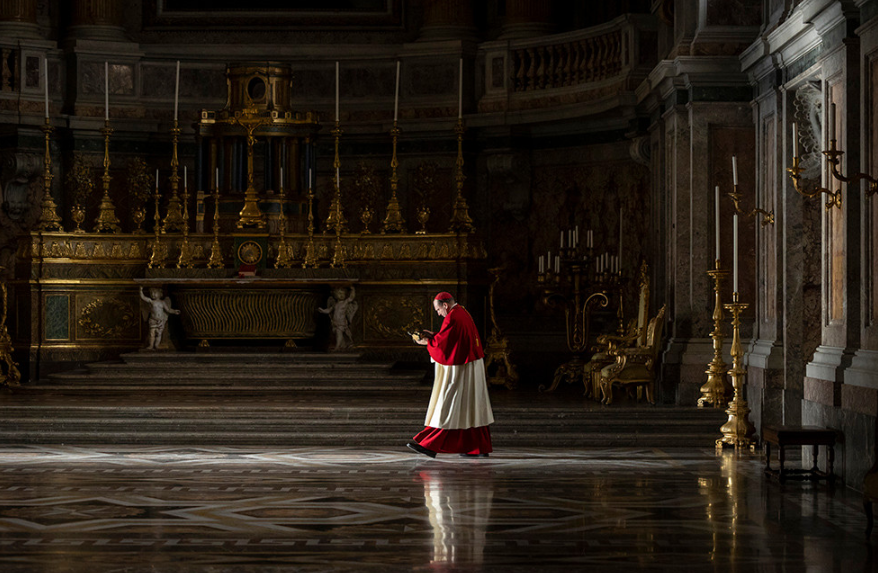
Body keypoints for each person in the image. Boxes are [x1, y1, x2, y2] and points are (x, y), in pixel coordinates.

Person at [408, 292, 494, 458]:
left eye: (438, 309)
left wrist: (426, 342)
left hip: (459, 367)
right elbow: (451, 337)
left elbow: (445, 344)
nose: (438, 313)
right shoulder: (461, 312)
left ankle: (430, 445)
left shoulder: (453, 317)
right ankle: (477, 447)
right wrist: (434, 335)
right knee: (471, 407)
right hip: (470, 363)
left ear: (445, 305)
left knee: (448, 404)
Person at [318, 285, 358, 351]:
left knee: (339, 333)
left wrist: (353, 290)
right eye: (339, 294)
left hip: (341, 322)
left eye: (343, 294)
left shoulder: (345, 303)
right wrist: (322, 310)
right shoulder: (335, 304)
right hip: (335, 322)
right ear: (335, 294)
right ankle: (342, 345)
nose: (341, 295)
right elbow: (329, 310)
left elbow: (351, 298)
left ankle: (337, 347)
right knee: (337, 334)